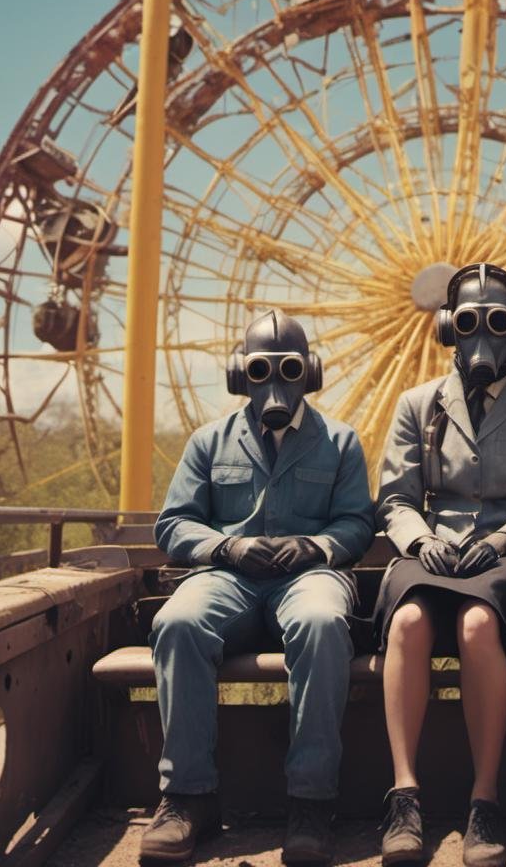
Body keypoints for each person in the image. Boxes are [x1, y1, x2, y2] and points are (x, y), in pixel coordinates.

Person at [141, 310, 374, 865]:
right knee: (177, 622)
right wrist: (226, 548)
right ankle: (187, 798)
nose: (276, 383)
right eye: (262, 369)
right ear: (239, 373)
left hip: (309, 577)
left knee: (321, 623)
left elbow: (359, 522)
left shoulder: (339, 443)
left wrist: (316, 547)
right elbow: (173, 523)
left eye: (290, 369)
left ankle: (311, 802)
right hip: (229, 578)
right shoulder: (208, 441)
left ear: (310, 373)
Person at [373, 263, 506, 867]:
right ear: (447, 327)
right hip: (435, 551)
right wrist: (420, 539)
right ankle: (404, 795)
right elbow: (396, 497)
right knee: (407, 625)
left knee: (479, 626)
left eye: (498, 319)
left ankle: (485, 802)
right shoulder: (416, 403)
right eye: (468, 320)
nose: (483, 334)